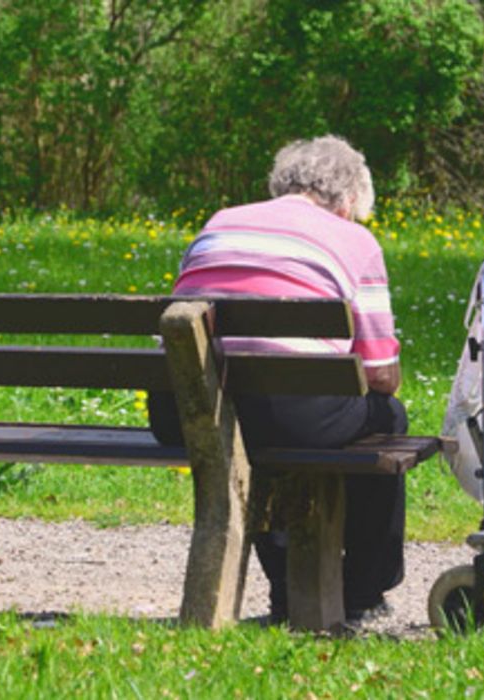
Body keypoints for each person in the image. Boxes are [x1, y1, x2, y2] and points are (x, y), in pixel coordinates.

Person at [147, 135, 408, 624]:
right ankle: (361, 591)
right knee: (387, 418)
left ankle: (288, 592)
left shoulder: (219, 223)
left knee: (255, 429)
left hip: (185, 409)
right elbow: (380, 376)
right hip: (288, 414)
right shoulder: (354, 240)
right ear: (348, 201)